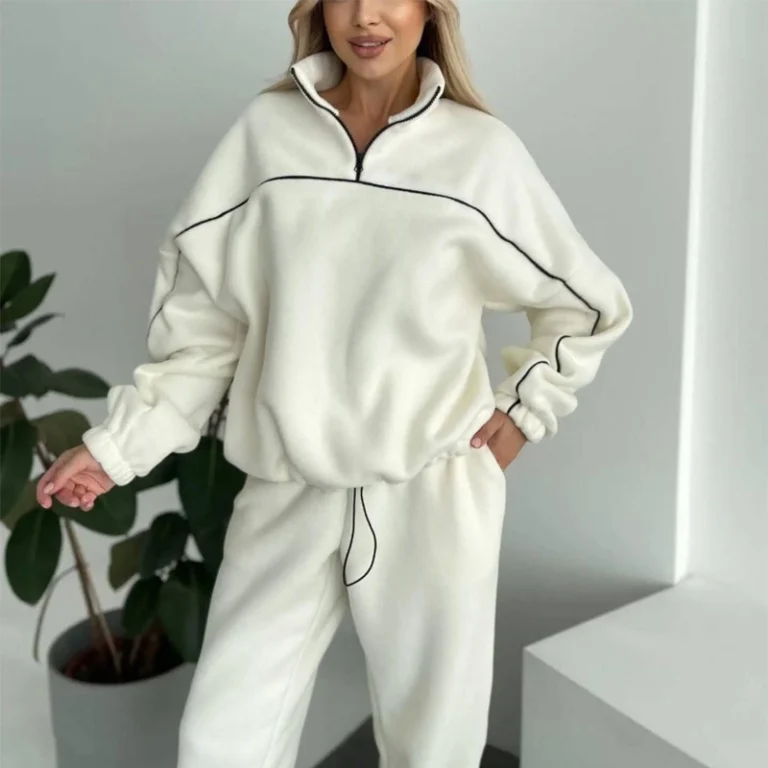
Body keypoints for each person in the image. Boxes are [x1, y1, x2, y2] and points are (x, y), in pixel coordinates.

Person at [37, 1, 633, 766]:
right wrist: (116, 449)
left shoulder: (481, 155)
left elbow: (587, 305)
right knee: (221, 740)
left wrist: (522, 412)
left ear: (429, 10)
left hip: (431, 497)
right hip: (287, 488)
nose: (364, 16)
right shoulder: (265, 138)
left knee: (433, 750)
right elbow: (205, 333)